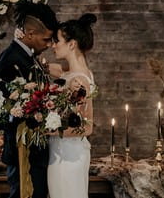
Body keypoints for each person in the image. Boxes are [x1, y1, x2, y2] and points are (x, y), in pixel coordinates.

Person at [0, 0, 58, 198]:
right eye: (46, 39)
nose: (49, 45)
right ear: (30, 34)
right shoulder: (12, 58)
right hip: (24, 151)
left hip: (34, 151)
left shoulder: (27, 56)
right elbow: (5, 108)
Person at [47, 13, 97, 198]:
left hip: (68, 156)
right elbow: (58, 70)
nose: (53, 45)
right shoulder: (75, 73)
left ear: (71, 44)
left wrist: (46, 130)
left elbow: (87, 127)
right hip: (62, 152)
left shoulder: (79, 80)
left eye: (57, 40)